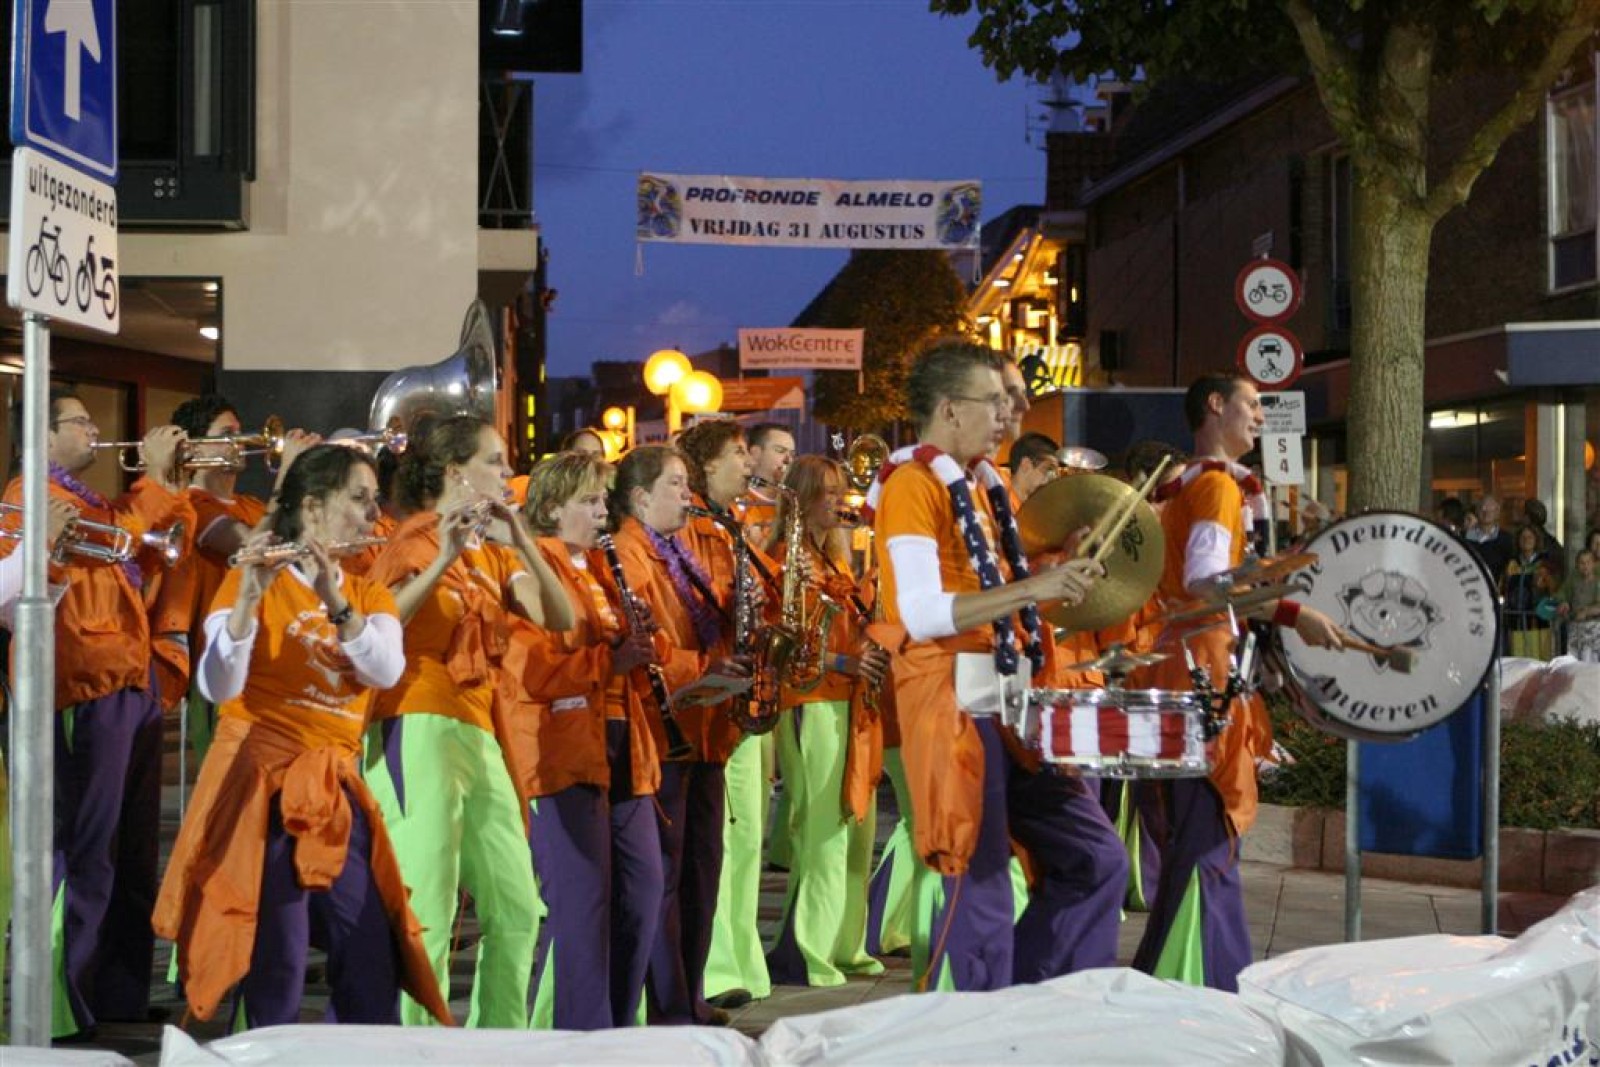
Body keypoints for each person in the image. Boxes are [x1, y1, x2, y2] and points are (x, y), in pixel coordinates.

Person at [152, 445, 450, 1029]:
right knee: (277, 955)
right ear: (312, 507)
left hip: (332, 787)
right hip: (262, 786)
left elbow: (384, 670)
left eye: (375, 500)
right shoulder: (253, 578)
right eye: (359, 499)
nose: (374, 515)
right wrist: (246, 602)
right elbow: (217, 685)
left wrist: (334, 600)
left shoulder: (366, 594)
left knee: (369, 945)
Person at [868, 339, 1127, 992]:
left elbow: (996, 583)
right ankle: (974, 1023)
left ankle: (1040, 1001)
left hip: (1011, 704)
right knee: (979, 887)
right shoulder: (911, 485)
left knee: (1095, 859)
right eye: (995, 401)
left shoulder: (987, 487)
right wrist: (1034, 588)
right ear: (950, 410)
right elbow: (921, 611)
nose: (1010, 414)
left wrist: (1052, 570)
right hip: (955, 707)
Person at [1130, 370, 1346, 993]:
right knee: (1209, 835)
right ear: (1215, 405)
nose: (1260, 415)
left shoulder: (1190, 484)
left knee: (1197, 834)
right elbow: (1206, 582)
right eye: (1251, 403)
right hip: (1207, 672)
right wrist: (1293, 611)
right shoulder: (1218, 486)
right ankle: (1197, 983)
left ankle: (1179, 973)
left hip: (1184, 665)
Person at [362, 414, 573, 1028]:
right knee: (428, 901)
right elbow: (377, 625)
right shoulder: (413, 541)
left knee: (518, 904)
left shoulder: (490, 553)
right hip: (417, 722)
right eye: (494, 461)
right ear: (455, 472)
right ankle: (416, 1045)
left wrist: (523, 539)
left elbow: (560, 618)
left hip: (479, 731)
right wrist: (442, 561)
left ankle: (498, 1040)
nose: (507, 472)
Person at [1, 385, 188, 1039]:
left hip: (127, 681)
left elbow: (140, 551)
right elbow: (26, 592)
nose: (92, 430)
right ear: (43, 435)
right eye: (78, 421)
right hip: (81, 685)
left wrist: (165, 488)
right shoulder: (29, 497)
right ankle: (61, 1004)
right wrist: (158, 481)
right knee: (83, 853)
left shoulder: (91, 501)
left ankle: (117, 994)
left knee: (131, 857)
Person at [510, 452, 664, 1030]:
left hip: (625, 742)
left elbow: (632, 660)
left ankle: (617, 1027)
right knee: (582, 904)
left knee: (642, 890)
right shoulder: (533, 566)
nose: (604, 512)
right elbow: (529, 670)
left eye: (604, 500)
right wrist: (609, 661)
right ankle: (583, 1035)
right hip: (564, 749)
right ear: (553, 509)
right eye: (589, 502)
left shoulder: (602, 567)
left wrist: (644, 640)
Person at [607, 444, 751, 1025]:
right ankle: (668, 1005)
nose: (687, 495)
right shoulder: (628, 551)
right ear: (641, 498)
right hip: (665, 733)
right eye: (675, 484)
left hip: (707, 728)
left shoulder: (681, 548)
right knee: (666, 874)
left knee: (702, 870)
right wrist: (705, 668)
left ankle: (690, 992)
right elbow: (649, 642)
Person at [762, 455, 889, 988]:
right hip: (811, 700)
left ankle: (843, 944)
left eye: (841, 491)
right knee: (822, 829)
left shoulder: (835, 558)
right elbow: (783, 642)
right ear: (804, 498)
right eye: (828, 492)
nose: (839, 501)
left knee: (856, 829)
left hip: (851, 702)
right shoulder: (784, 558)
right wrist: (842, 661)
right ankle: (807, 949)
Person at [675, 418, 775, 1013]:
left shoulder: (730, 525)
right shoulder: (691, 526)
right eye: (739, 453)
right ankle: (711, 968)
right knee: (715, 845)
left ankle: (739, 958)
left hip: (735, 700)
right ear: (707, 465)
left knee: (741, 841)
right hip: (705, 700)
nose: (749, 463)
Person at [169, 395, 320, 767]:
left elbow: (291, 550)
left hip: (267, 654)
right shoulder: (190, 505)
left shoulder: (251, 504)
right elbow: (253, 547)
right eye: (226, 434)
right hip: (222, 652)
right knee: (229, 773)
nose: (239, 442)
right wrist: (287, 474)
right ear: (193, 448)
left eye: (238, 432)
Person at [1503, 524, 1557, 659]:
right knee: (1518, 660)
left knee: (1540, 660)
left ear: (1536, 540)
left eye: (1530, 537)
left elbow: (1553, 589)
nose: (1526, 540)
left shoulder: (1545, 564)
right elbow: (1503, 588)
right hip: (1516, 620)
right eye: (1523, 537)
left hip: (1539, 620)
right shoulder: (1512, 565)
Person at [743, 422, 797, 547]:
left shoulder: (791, 504)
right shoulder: (738, 502)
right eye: (780, 451)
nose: (788, 460)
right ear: (755, 453)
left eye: (792, 454)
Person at [1557, 548, 1600, 663]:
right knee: (1573, 661)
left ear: (1594, 564)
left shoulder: (1597, 582)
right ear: (1577, 565)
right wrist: (1564, 603)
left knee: (1588, 661)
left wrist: (1586, 612)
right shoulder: (1573, 581)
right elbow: (1562, 594)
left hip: (1593, 628)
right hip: (1575, 627)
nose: (1585, 566)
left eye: (1588, 562)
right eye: (1582, 563)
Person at [1466, 495, 1514, 583]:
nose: (1486, 513)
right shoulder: (1465, 537)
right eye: (1482, 509)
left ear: (1497, 513)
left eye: (1490, 510)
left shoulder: (1506, 539)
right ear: (1476, 511)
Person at [1006, 431, 1061, 505]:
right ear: (1026, 465)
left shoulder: (1036, 509)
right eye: (1048, 470)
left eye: (1055, 474)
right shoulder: (998, 504)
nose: (1053, 480)